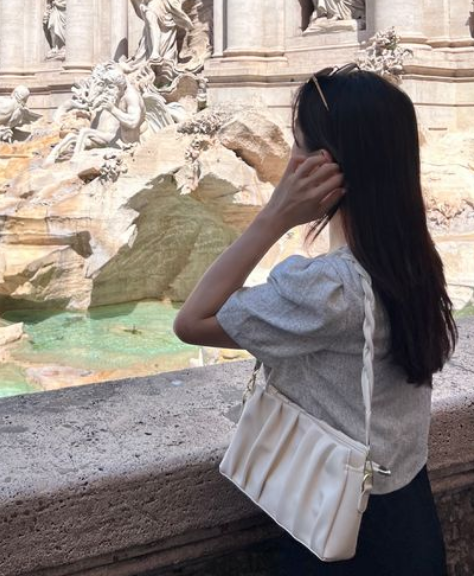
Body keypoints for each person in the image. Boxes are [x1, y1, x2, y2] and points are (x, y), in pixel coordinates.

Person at [174, 67, 455, 574]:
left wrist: (275, 215)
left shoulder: (330, 290)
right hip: (409, 511)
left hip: (343, 533)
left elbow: (193, 320)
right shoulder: (413, 259)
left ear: (323, 167)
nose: (289, 160)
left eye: (297, 144)